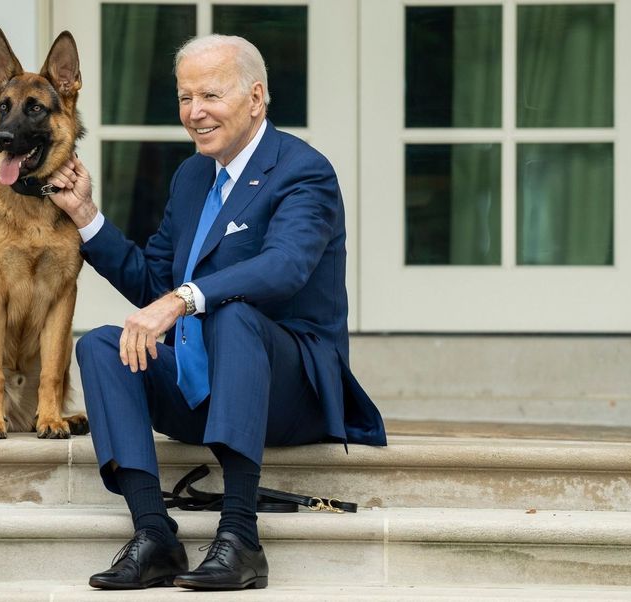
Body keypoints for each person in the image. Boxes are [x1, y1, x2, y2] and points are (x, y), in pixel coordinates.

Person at [46, 34, 386, 591]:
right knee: (101, 345)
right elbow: (155, 282)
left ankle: (240, 536)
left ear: (256, 99)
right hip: (203, 385)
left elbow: (284, 269)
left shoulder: (304, 172)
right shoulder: (191, 176)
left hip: (288, 388)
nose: (194, 113)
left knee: (233, 314)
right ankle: (154, 534)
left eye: (210, 95)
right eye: (184, 97)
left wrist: (183, 300)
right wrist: (86, 217)